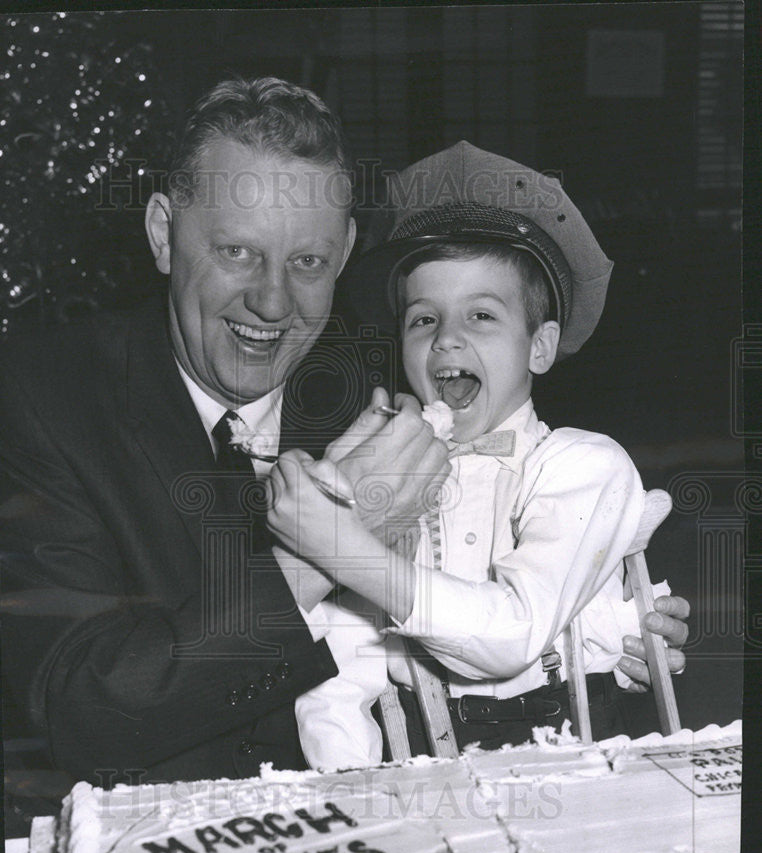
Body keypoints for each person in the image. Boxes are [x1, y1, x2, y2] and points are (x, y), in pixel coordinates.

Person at [0, 78, 687, 786]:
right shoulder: (44, 395)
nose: (271, 300)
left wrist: (592, 632)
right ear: (163, 233)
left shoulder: (391, 390)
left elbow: (487, 597)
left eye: (308, 263)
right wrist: (326, 548)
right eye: (237, 252)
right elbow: (76, 708)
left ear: (347, 249)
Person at [267, 140, 688, 769]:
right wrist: (352, 788)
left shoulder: (580, 466)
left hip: (572, 753)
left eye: (482, 315)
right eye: (422, 319)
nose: (447, 339)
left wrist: (343, 548)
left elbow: (514, 632)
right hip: (426, 764)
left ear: (539, 348)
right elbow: (337, 674)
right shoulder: (378, 476)